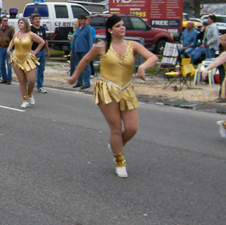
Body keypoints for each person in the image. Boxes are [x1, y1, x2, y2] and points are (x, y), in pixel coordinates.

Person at [66, 15, 158, 178]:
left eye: (122, 25)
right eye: (118, 26)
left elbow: (153, 57)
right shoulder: (101, 47)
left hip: (126, 89)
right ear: (110, 30)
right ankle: (120, 161)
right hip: (106, 90)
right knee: (116, 128)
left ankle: (116, 145)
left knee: (131, 128)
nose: (122, 28)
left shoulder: (133, 45)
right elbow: (85, 59)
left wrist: (143, 67)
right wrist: (74, 77)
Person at [7, 17, 45, 107]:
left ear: (25, 24)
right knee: (22, 81)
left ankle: (30, 93)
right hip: (16, 58)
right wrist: (9, 50)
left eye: (21, 23)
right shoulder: (16, 34)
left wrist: (35, 52)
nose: (20, 24)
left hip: (27, 58)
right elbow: (12, 42)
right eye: (19, 23)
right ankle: (25, 100)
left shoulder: (30, 34)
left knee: (31, 80)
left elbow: (42, 42)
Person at [70, 14, 95, 89]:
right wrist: (72, 50)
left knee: (85, 66)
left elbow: (90, 40)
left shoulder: (88, 29)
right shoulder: (78, 29)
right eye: (79, 19)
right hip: (77, 49)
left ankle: (87, 82)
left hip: (85, 50)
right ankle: (79, 82)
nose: (80, 20)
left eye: (82, 19)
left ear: (84, 20)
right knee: (78, 66)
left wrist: (90, 51)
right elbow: (74, 39)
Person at [30, 11, 49, 93]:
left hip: (42, 51)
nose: (37, 21)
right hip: (34, 51)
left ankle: (40, 86)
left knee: (41, 69)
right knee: (34, 70)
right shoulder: (30, 30)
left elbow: (45, 40)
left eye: (38, 19)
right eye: (36, 19)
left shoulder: (42, 29)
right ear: (32, 20)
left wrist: (47, 50)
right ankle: (31, 83)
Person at [0, 16, 14, 84]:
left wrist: (11, 47)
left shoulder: (10, 29)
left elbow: (13, 39)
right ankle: (4, 78)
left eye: (6, 20)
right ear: (1, 21)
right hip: (1, 48)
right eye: (4, 20)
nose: (5, 22)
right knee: (1, 64)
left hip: (8, 48)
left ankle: (9, 79)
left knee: (9, 64)